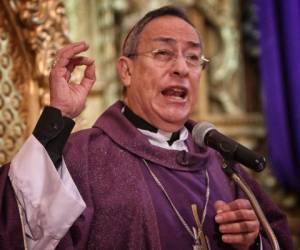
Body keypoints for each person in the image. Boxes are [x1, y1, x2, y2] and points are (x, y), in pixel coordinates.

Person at [0, 5, 294, 250]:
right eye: (164, 53)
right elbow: (16, 222)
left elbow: (277, 237)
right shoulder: (83, 158)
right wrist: (59, 114)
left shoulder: (223, 164)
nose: (181, 68)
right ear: (126, 70)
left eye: (193, 57)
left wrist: (253, 241)